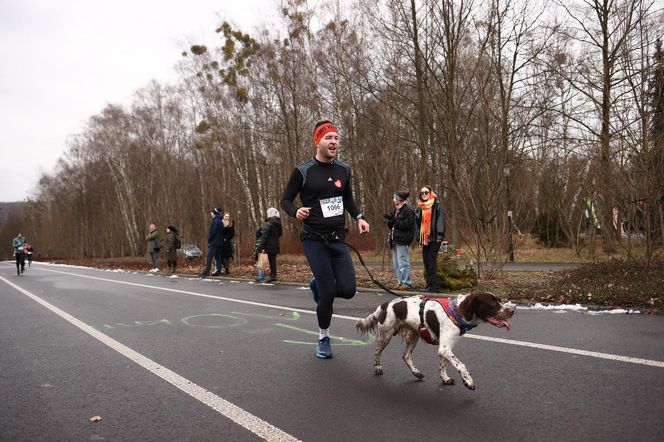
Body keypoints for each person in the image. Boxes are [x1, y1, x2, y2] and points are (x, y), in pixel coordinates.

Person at [281, 120, 370, 359]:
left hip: (338, 238)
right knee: (328, 290)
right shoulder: (303, 171)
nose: (333, 142)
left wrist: (359, 217)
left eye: (336, 138)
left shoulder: (344, 170)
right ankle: (323, 337)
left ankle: (316, 285)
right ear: (317, 141)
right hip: (313, 239)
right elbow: (286, 200)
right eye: (328, 137)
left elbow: (348, 199)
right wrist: (295, 212)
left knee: (349, 289)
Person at [414, 185, 446, 292]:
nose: (424, 194)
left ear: (430, 193)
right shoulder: (420, 207)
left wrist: (440, 235)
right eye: (422, 193)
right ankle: (429, 284)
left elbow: (440, 221)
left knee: (431, 260)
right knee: (426, 261)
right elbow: (417, 224)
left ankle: (434, 286)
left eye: (426, 192)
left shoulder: (436, 206)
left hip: (434, 237)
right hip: (425, 238)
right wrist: (419, 237)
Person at [384, 190, 415, 290]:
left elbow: (406, 225)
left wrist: (394, 221)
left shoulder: (407, 211)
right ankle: (400, 281)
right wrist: (389, 221)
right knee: (396, 263)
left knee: (403, 262)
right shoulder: (397, 210)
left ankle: (407, 283)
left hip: (402, 239)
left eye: (395, 198)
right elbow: (393, 225)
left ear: (400, 199)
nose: (393, 200)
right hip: (394, 240)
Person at [256, 207, 283, 283]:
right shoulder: (278, 223)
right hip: (275, 244)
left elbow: (264, 236)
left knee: (266, 260)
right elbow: (280, 234)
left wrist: (261, 246)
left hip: (268, 244)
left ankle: (269, 276)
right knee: (273, 260)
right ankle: (273, 275)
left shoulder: (268, 223)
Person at [199, 208, 224, 278]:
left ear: (214, 213)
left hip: (214, 242)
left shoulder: (215, 221)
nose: (211, 214)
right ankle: (218, 270)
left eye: (212, 213)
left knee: (209, 257)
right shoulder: (220, 221)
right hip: (220, 243)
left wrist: (209, 240)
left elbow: (213, 232)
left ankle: (207, 271)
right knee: (218, 257)